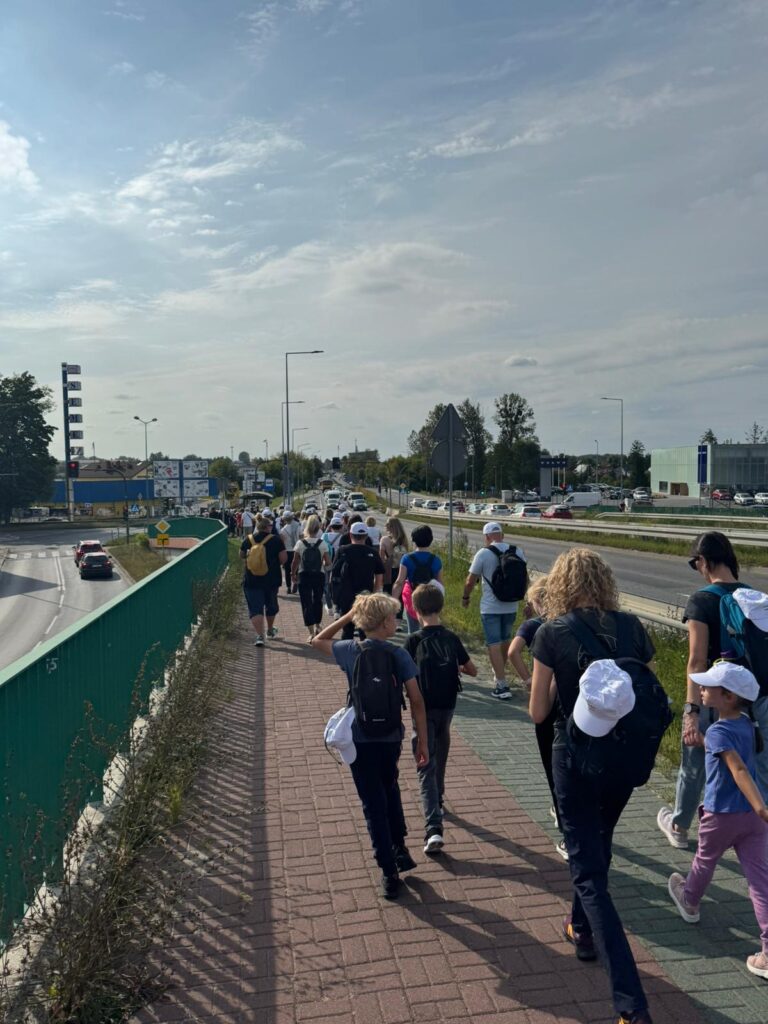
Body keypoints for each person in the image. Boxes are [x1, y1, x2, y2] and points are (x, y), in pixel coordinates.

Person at [529, 547, 655, 1024]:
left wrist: (562, 681)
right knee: (598, 842)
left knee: (588, 872)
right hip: (624, 758)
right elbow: (645, 689)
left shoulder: (552, 632)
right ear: (605, 582)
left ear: (561, 583)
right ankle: (579, 927)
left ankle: (631, 1005)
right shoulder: (633, 628)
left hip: (575, 758)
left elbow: (538, 712)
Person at [311, 593, 429, 900]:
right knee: (390, 787)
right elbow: (417, 701)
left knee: (372, 803)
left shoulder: (351, 650)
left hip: (360, 738)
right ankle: (399, 846)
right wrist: (422, 740)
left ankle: (388, 871)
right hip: (390, 738)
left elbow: (317, 640)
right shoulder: (398, 654)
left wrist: (349, 615)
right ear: (386, 622)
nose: (396, 621)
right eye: (393, 617)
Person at [657, 531, 768, 850]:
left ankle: (679, 826)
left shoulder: (702, 600)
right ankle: (759, 831)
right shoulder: (755, 597)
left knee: (695, 762)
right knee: (759, 764)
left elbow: (696, 660)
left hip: (715, 698)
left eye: (695, 564)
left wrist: (691, 711)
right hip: (756, 697)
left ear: (703, 561)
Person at [666, 661, 768, 980]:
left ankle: (690, 901)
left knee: (705, 860)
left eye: (708, 687)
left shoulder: (719, 730)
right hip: (751, 821)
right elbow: (728, 751)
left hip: (722, 814)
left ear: (728, 697)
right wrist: (759, 811)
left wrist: (763, 808)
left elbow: (738, 769)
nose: (701, 689)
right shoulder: (747, 725)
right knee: (759, 881)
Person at [403, 583, 476, 853]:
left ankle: (433, 827)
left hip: (422, 710)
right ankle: (439, 798)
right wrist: (457, 667)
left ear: (415, 609)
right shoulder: (451, 637)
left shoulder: (413, 641)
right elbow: (473, 670)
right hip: (448, 707)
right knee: (440, 753)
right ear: (441, 607)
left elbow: (403, 674)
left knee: (425, 763)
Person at [507, 575, 566, 855]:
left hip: (543, 701)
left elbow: (513, 651)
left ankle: (562, 815)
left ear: (537, 600)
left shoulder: (533, 625)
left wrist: (528, 679)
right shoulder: (565, 622)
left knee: (551, 763)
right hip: (568, 702)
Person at [462, 522, 526, 700]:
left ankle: (501, 685)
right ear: (502, 535)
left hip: (490, 607)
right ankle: (499, 673)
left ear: (487, 537)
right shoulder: (517, 551)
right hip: (511, 604)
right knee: (505, 640)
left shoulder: (483, 553)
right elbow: (524, 579)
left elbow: (470, 581)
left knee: (493, 644)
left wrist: (465, 597)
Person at [331, 522, 385, 639]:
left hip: (346, 595)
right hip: (366, 595)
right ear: (366, 536)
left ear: (350, 535)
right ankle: (364, 649)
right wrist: (374, 594)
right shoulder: (373, 552)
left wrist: (335, 595)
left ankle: (347, 649)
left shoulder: (342, 550)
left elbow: (334, 574)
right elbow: (379, 577)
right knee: (365, 629)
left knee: (347, 628)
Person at [240, 513, 287, 647]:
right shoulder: (276, 540)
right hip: (271, 579)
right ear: (268, 527)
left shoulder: (249, 539)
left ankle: (259, 636)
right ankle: (270, 630)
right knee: (271, 606)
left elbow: (241, 555)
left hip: (251, 579)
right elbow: (283, 559)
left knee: (256, 608)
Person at [392, 525, 443, 634]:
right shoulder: (436, 560)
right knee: (429, 629)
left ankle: (414, 644)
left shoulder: (406, 558)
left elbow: (399, 582)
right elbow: (439, 584)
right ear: (430, 540)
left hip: (412, 596)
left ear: (413, 540)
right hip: (430, 598)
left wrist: (394, 600)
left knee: (413, 631)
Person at [292, 514, 332, 640]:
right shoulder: (322, 543)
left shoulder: (300, 543)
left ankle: (311, 633)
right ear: (318, 528)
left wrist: (292, 574)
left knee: (306, 602)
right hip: (319, 575)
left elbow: (295, 561)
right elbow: (328, 562)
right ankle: (318, 625)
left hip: (303, 575)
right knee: (317, 600)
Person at [279, 511, 301, 592]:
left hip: (287, 551)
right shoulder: (298, 526)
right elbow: (301, 537)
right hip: (297, 550)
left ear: (284, 519)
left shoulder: (282, 530)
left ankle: (288, 587)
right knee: (297, 568)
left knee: (287, 569)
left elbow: (282, 543)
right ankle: (296, 582)